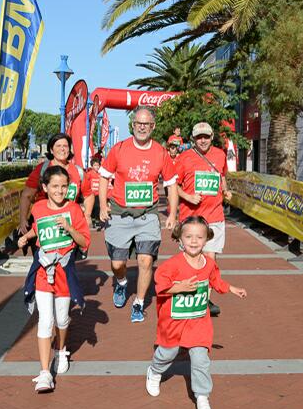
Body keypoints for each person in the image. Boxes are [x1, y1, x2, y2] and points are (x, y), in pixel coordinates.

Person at [145, 216, 246, 409]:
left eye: (199, 237)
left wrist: (231, 288)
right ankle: (154, 371)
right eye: (188, 236)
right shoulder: (172, 265)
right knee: (168, 354)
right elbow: (159, 286)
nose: (193, 241)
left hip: (198, 322)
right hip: (173, 322)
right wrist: (178, 287)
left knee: (200, 358)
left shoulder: (208, 264)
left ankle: (202, 396)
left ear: (206, 239)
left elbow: (215, 281)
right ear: (180, 239)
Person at [99, 106, 178, 323]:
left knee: (145, 260)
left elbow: (171, 185)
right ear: (133, 125)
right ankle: (122, 283)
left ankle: (139, 303)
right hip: (120, 213)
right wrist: (103, 205)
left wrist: (172, 214)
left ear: (153, 126)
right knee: (117, 264)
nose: (142, 127)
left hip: (148, 214)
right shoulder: (119, 149)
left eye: (146, 124)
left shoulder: (161, 153)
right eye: (138, 123)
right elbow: (104, 176)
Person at [17, 165, 91, 393]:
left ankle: (61, 349)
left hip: (64, 273)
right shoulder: (38, 207)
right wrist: (26, 237)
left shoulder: (74, 210)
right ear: (45, 188)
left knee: (61, 319)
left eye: (64, 186)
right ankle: (44, 373)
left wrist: (69, 228)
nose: (59, 191)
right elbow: (39, 228)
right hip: (43, 272)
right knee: (45, 320)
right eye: (55, 186)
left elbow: (84, 242)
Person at [174, 122, 233, 316]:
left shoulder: (220, 155)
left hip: (215, 216)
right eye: (199, 137)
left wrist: (225, 190)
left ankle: (204, 300)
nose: (203, 140)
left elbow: (221, 176)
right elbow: (174, 185)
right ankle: (189, 293)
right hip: (191, 218)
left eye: (206, 136)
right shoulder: (184, 158)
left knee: (210, 258)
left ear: (212, 136)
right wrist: (188, 197)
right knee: (191, 258)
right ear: (193, 138)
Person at [18, 133, 93, 236]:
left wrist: (87, 215)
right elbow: (27, 195)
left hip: (71, 224)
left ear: (69, 149)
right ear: (52, 150)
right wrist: (23, 220)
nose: (62, 149)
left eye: (65, 146)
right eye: (58, 146)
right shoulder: (42, 169)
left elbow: (88, 195)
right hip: (45, 226)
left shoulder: (78, 172)